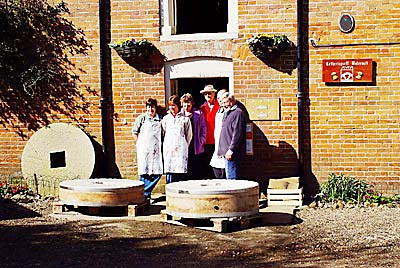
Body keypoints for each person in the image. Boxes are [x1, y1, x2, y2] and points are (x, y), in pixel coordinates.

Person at [132, 98, 163, 198]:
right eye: (149, 107)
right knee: (144, 173)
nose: (150, 109)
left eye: (152, 107)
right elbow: (134, 132)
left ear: (155, 108)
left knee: (157, 173)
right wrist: (139, 145)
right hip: (144, 150)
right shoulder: (142, 118)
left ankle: (143, 192)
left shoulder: (160, 120)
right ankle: (144, 196)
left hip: (156, 151)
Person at [162, 95, 193, 184]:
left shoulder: (185, 119)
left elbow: (189, 135)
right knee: (170, 171)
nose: (172, 107)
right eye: (170, 105)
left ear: (178, 106)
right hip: (169, 149)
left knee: (180, 171)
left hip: (180, 150)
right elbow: (164, 132)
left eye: (174, 105)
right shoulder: (166, 119)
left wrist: (183, 145)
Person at [217, 93, 246, 180]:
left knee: (232, 178)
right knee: (228, 176)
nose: (224, 105)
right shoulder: (228, 113)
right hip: (226, 152)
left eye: (226, 102)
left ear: (232, 101)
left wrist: (231, 150)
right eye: (222, 103)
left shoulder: (238, 113)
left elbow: (237, 134)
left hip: (231, 153)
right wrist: (220, 150)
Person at [181, 93, 207, 180]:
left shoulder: (199, 113)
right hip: (183, 144)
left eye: (189, 102)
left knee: (196, 167)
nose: (186, 105)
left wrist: (202, 140)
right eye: (184, 103)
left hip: (196, 144)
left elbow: (204, 127)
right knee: (185, 167)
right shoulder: (180, 115)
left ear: (192, 103)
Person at [199, 84, 220, 178]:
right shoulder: (202, 108)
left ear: (214, 94)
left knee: (218, 164)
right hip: (206, 141)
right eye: (206, 94)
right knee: (207, 164)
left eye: (210, 93)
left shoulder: (220, 107)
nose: (208, 95)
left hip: (217, 141)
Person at [209, 89, 228, 178]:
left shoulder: (230, 111)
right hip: (217, 145)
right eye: (219, 98)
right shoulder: (219, 111)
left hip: (226, 147)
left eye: (222, 97)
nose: (220, 100)